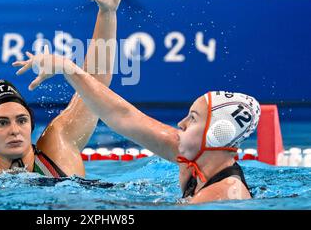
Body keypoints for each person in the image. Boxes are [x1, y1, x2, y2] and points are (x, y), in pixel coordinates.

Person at [14, 49, 261, 203]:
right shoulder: (193, 155)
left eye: (193, 118)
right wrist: (67, 67)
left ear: (218, 135)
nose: (181, 123)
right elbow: (122, 115)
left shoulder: (224, 196)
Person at [0, 0, 135, 177]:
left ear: (31, 124)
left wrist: (107, 13)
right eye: (2, 123)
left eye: (21, 120)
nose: (14, 131)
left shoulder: (58, 146)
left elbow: (96, 84)